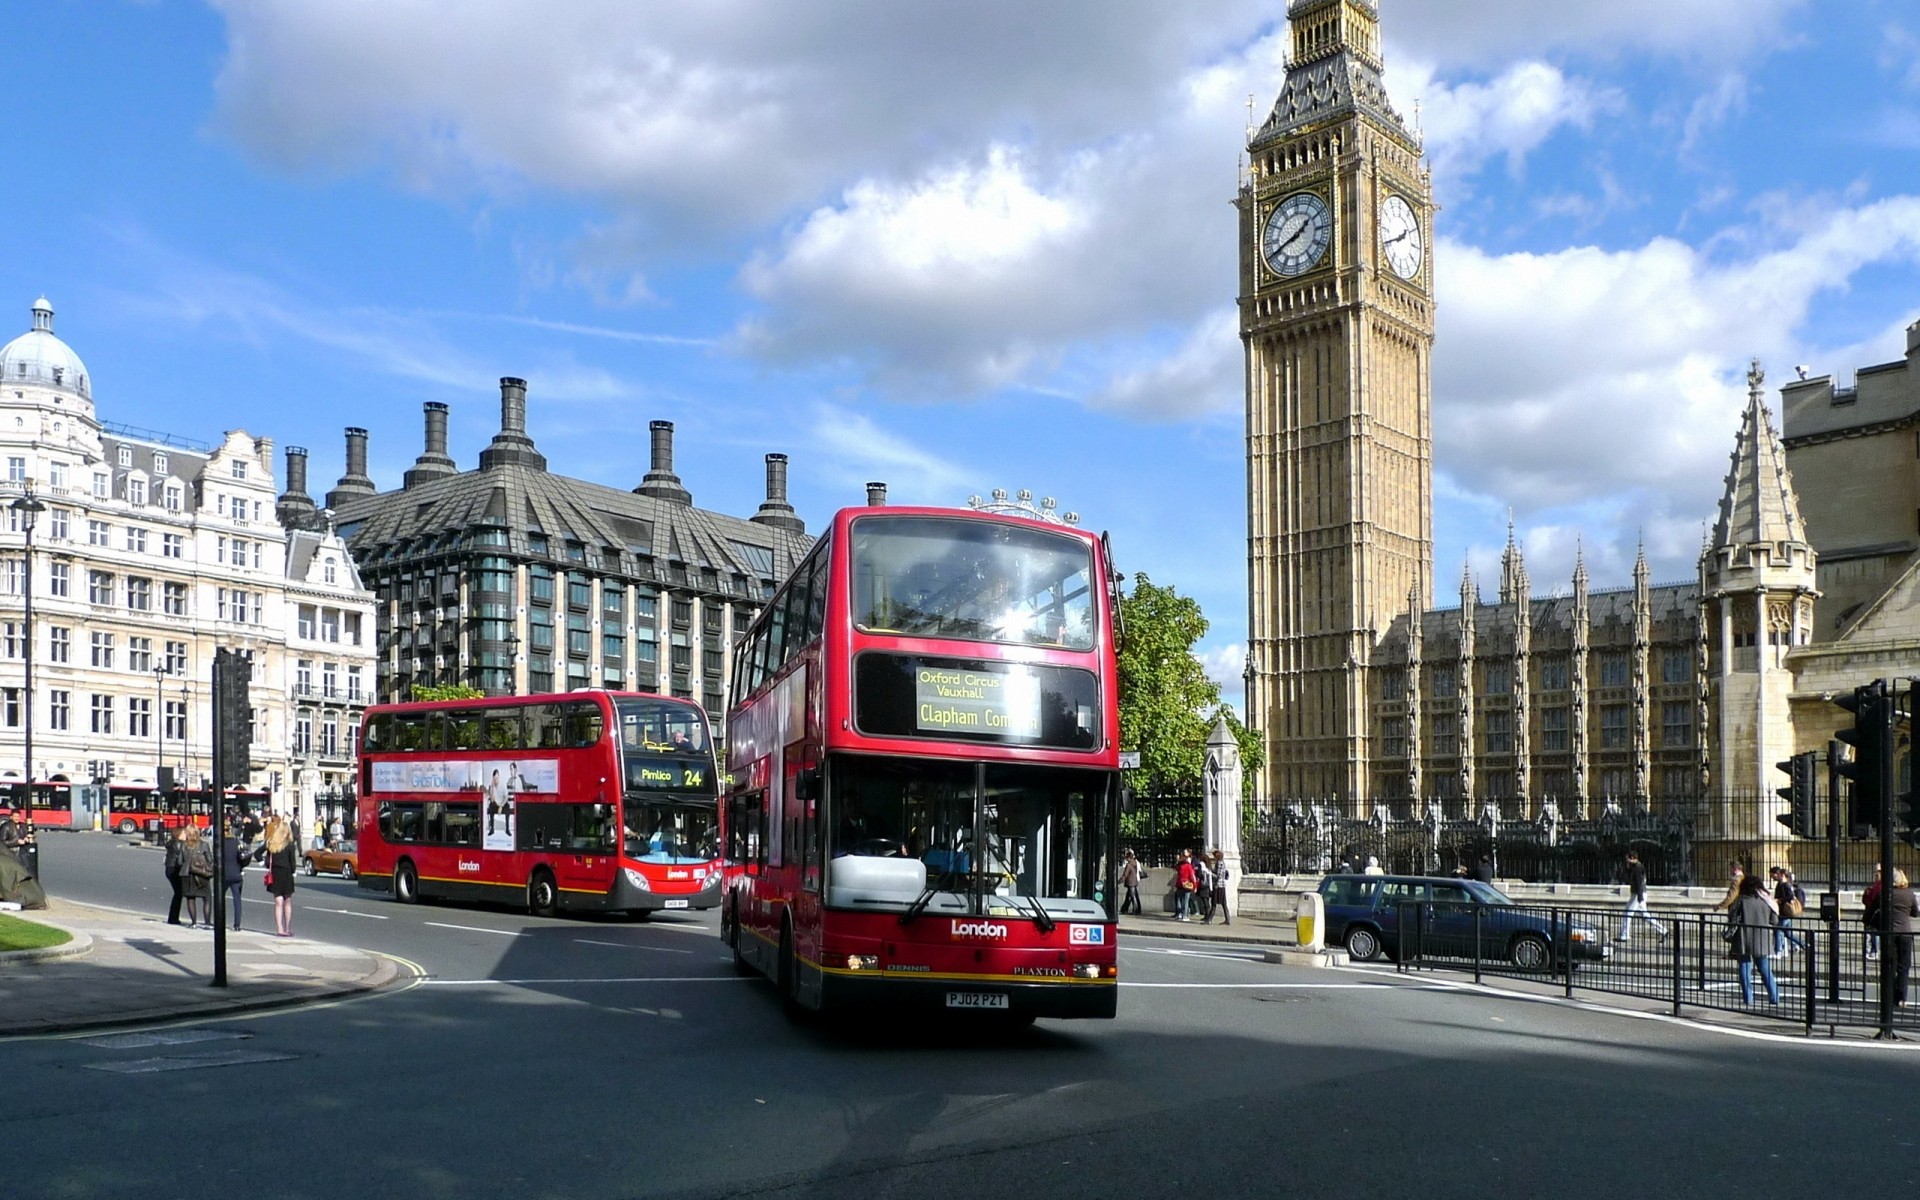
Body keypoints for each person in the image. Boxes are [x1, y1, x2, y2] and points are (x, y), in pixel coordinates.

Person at [1727, 874, 1781, 1006]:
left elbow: (1732, 917)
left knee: (1744, 967)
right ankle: (1774, 996)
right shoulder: (1766, 901)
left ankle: (1748, 998)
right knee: (1765, 969)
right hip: (1762, 938)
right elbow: (1774, 921)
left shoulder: (1741, 900)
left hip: (1743, 937)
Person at [1874, 869, 1919, 1008]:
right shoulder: (1909, 894)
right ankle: (1901, 998)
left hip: (1889, 933)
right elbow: (1915, 913)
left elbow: (1873, 908)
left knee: (1889, 966)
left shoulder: (1885, 893)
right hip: (1905, 933)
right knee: (1904, 967)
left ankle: (1889, 997)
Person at [1616, 851, 1668, 945]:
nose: (1626, 860)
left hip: (1637, 894)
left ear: (1631, 858)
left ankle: (1625, 935)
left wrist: (1639, 896)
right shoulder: (1635, 867)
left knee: (1627, 913)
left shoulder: (1638, 868)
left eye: (1627, 858)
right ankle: (1663, 930)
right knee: (1645, 915)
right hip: (1638, 894)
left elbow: (1639, 882)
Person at [262, 817, 299, 937]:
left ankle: (279, 929)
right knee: (287, 902)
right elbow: (292, 862)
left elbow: (264, 858)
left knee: (278, 902)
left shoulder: (272, 844)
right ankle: (288, 928)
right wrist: (293, 871)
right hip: (287, 874)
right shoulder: (290, 845)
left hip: (275, 874)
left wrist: (264, 864)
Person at [180, 825, 214, 929]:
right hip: (201, 874)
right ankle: (207, 923)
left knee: (191, 898)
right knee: (207, 898)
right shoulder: (204, 844)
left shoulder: (184, 845)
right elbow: (210, 860)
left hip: (187, 874)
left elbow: (179, 861)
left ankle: (193, 923)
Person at [220, 818, 249, 931]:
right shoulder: (235, 841)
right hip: (236, 873)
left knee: (220, 899)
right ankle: (237, 925)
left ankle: (220, 921)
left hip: (224, 874)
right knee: (237, 900)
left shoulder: (220, 842)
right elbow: (240, 857)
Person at [1771, 866, 1807, 956]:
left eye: (1779, 874)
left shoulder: (1785, 885)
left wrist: (1780, 900)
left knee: (1778, 930)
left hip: (1785, 912)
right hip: (1785, 912)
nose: (1777, 876)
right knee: (1788, 934)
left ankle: (1778, 951)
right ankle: (1804, 944)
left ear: (1782, 875)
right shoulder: (1784, 884)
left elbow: (1790, 896)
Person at [162, 825, 188, 925]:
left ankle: (173, 917)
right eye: (184, 833)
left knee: (178, 893)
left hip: (169, 868)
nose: (186, 835)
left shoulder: (172, 843)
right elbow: (182, 857)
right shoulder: (179, 844)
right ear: (179, 834)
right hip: (175, 869)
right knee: (179, 893)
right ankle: (173, 918)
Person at [1864, 865, 1884, 961]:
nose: (1876, 873)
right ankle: (1871, 950)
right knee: (1871, 933)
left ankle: (1874, 950)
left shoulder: (1881, 886)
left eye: (1879, 871)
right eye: (1876, 871)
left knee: (1874, 933)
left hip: (1875, 913)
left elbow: (1874, 900)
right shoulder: (1875, 885)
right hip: (1871, 913)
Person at [1206, 849, 1231, 926]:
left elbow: (1219, 876)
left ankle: (1209, 919)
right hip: (1222, 886)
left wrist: (1210, 873)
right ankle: (1227, 919)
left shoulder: (1219, 863)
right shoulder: (1222, 862)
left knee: (1214, 903)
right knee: (1224, 903)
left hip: (1218, 886)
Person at [1174, 849, 1197, 921]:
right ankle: (1185, 916)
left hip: (1179, 884)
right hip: (1186, 884)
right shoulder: (1188, 866)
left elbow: (1176, 868)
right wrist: (1195, 886)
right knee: (1185, 901)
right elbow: (1192, 876)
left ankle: (1179, 914)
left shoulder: (1180, 866)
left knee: (1179, 900)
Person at [1119, 850, 1143, 916]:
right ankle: (1124, 909)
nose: (1126, 859)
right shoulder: (1135, 863)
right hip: (1135, 882)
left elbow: (1125, 874)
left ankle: (1135, 909)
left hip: (1130, 882)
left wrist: (1120, 881)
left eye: (1127, 857)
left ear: (1129, 857)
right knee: (1130, 896)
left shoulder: (1129, 865)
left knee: (1132, 897)